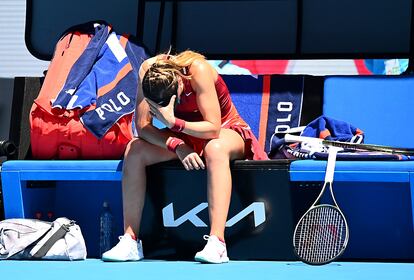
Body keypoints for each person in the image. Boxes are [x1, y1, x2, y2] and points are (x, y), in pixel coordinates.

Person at [101, 50, 268, 264]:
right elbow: (143, 128)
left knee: (214, 149)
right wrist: (177, 145)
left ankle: (218, 243)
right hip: (183, 136)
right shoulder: (147, 71)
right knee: (134, 150)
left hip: (224, 130)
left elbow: (213, 129)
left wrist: (173, 123)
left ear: (179, 85)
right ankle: (131, 240)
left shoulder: (198, 70)